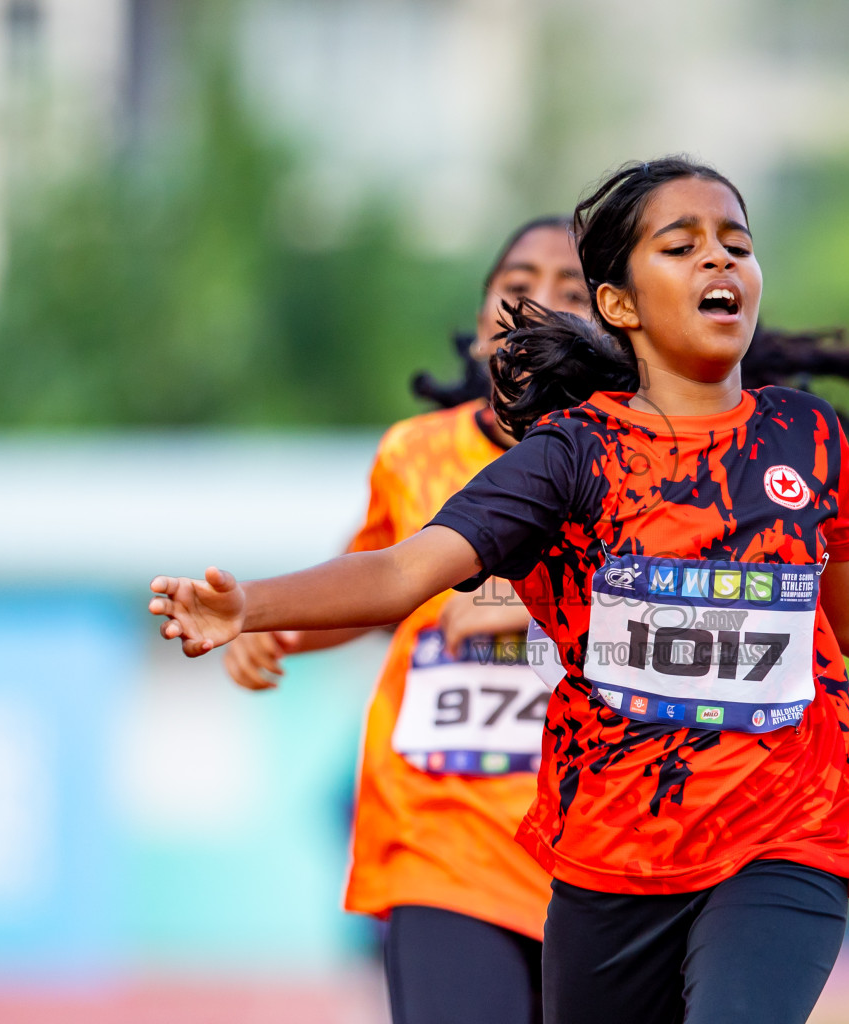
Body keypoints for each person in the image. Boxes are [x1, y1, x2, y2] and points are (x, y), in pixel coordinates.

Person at [149, 157, 849, 1024]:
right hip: (607, 855)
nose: (720, 258)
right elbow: (403, 571)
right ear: (620, 304)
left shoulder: (803, 440)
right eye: (683, 244)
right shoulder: (566, 459)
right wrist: (256, 607)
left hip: (784, 831)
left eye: (736, 241)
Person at [220, 215, 589, 1024]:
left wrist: (496, 604)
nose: (538, 304)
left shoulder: (647, 462)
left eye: (572, 291)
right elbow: (372, 585)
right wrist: (268, 626)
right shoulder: (413, 455)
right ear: (480, 321)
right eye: (516, 286)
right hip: (440, 830)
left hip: (602, 845)